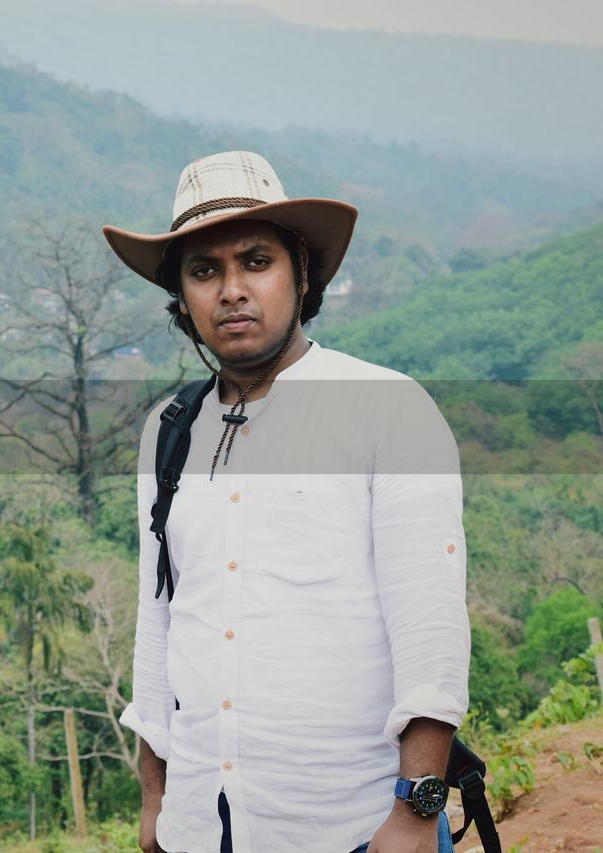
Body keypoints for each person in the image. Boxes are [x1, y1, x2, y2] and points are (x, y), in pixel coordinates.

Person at [100, 151, 470, 853]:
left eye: (255, 261)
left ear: (302, 273)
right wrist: (156, 796)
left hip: (355, 827)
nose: (232, 289)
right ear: (182, 298)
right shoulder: (167, 431)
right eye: (204, 270)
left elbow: (430, 629)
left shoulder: (385, 409)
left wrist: (417, 810)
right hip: (203, 831)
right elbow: (161, 620)